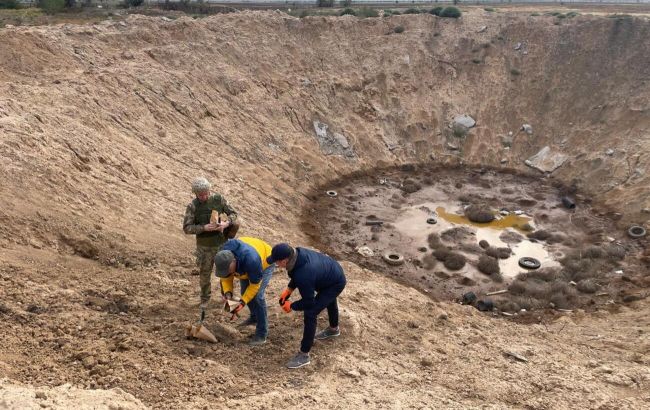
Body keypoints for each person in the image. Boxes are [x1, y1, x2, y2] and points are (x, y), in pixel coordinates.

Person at [267, 243, 346, 369]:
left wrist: (292, 305)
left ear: (285, 260)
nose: (276, 265)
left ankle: (304, 355)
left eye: (277, 262)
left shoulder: (304, 274)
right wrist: (289, 290)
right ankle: (333, 329)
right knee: (328, 299)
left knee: (310, 312)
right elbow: (296, 272)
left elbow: (309, 302)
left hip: (335, 282)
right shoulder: (297, 254)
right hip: (330, 273)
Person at [182, 177, 238, 309]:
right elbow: (187, 228)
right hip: (204, 247)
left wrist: (226, 223)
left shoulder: (218, 200)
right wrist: (203, 228)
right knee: (205, 274)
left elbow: (234, 214)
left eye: (206, 193)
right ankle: (205, 298)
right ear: (195, 193)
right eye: (200, 195)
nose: (204, 196)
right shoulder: (193, 206)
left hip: (221, 244)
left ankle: (227, 296)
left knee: (227, 271)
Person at [214, 237, 274, 346]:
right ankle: (254, 317)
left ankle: (261, 334)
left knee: (258, 297)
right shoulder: (223, 256)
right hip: (244, 264)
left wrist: (243, 302)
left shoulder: (252, 261)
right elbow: (225, 277)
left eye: (227, 269)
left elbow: (255, 286)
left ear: (233, 262)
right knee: (244, 291)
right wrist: (228, 293)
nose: (225, 272)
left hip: (264, 261)